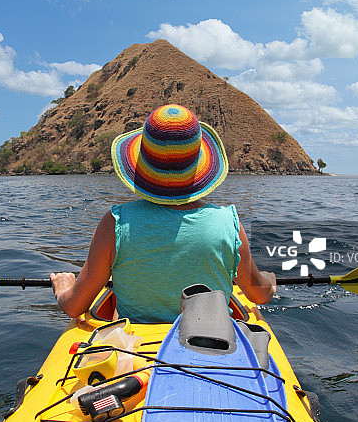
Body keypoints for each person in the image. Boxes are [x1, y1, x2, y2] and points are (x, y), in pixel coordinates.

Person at [50, 104, 276, 322]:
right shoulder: (229, 223)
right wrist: (270, 281)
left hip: (136, 343)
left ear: (142, 164)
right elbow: (259, 295)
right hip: (210, 340)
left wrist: (63, 288)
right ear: (200, 164)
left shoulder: (114, 223)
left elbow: (74, 306)